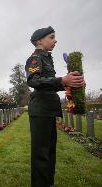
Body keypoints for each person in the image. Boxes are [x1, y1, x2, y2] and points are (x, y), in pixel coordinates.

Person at [25, 26, 85, 187]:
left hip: (48, 110)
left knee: (50, 152)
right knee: (41, 154)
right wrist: (61, 81)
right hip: (40, 110)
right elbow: (33, 81)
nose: (55, 40)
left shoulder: (46, 58)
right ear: (39, 41)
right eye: (51, 37)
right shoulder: (35, 58)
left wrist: (70, 83)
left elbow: (50, 84)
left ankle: (48, 183)